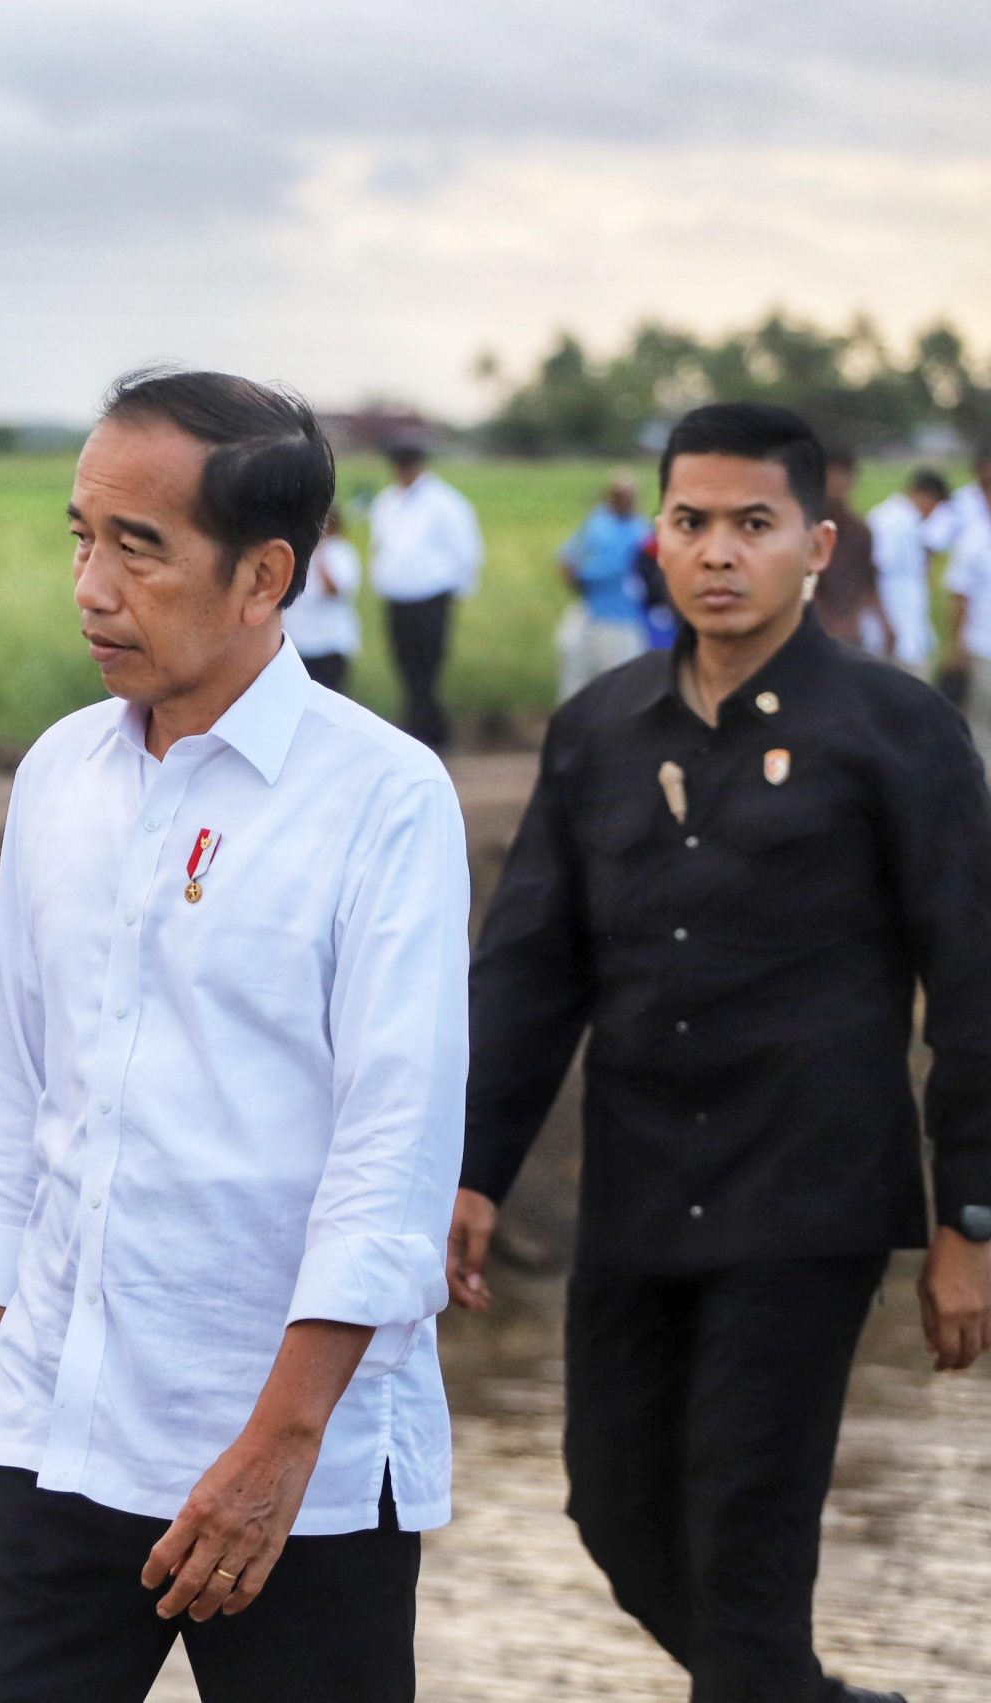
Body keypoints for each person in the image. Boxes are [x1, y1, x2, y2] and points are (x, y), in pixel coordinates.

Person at [0, 369, 467, 1702]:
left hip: (296, 1472)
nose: (92, 587)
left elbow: (391, 1158)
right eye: (81, 537)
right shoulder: (59, 777)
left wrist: (281, 1444)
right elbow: (13, 1106)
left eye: (139, 548)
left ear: (265, 574)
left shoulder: (383, 798)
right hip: (58, 1423)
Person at [453, 402, 988, 1703]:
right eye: (692, 521)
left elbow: (973, 979)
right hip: (637, 1191)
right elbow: (531, 972)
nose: (719, 553)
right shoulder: (599, 731)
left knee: (745, 1550)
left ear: (814, 543)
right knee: (616, 1512)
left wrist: (969, 1217)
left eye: (753, 525)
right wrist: (467, 1173)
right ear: (659, 537)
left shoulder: (896, 727)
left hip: (806, 1199)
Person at [366, 440, 482, 750]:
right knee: (404, 662)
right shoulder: (387, 501)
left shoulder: (444, 503)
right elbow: (381, 544)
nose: (403, 471)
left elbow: (465, 548)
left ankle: (423, 730)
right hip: (397, 595)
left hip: (431, 593)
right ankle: (429, 728)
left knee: (428, 664)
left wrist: (461, 587)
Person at [554, 471, 654, 699]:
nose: (620, 500)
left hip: (620, 616)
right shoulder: (598, 521)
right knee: (574, 669)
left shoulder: (639, 531)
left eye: (626, 495)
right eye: (616, 494)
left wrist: (579, 572)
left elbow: (612, 568)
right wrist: (569, 567)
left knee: (620, 683)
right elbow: (569, 551)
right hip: (587, 609)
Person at [865, 469, 944, 671]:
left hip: (905, 632)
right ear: (926, 495)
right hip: (891, 634)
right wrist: (886, 625)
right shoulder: (890, 521)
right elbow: (872, 573)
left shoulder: (907, 521)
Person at [810, 445, 885, 651]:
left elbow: (867, 580)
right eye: (831, 475)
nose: (837, 483)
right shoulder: (804, 529)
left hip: (850, 633)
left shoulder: (859, 530)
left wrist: (883, 622)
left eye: (843, 475)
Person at [283, 505, 362, 694]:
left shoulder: (341, 552)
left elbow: (334, 589)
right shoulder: (295, 553)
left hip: (329, 644)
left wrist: (320, 553)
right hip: (299, 642)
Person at [942, 499, 991, 761]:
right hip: (983, 645)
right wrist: (957, 644)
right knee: (982, 725)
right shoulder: (975, 538)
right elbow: (960, 595)